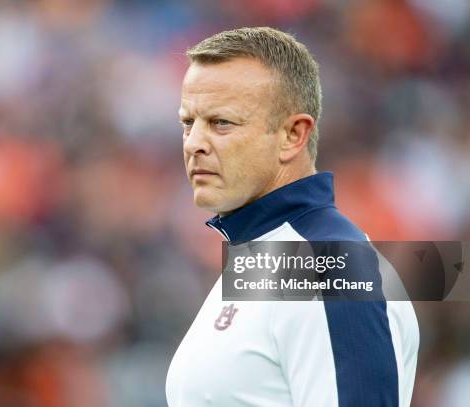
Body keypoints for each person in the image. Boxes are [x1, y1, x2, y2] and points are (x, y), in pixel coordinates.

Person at [166, 27, 419, 407]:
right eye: (189, 122)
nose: (194, 143)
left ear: (292, 135)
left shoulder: (329, 267)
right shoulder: (268, 254)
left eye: (222, 122)